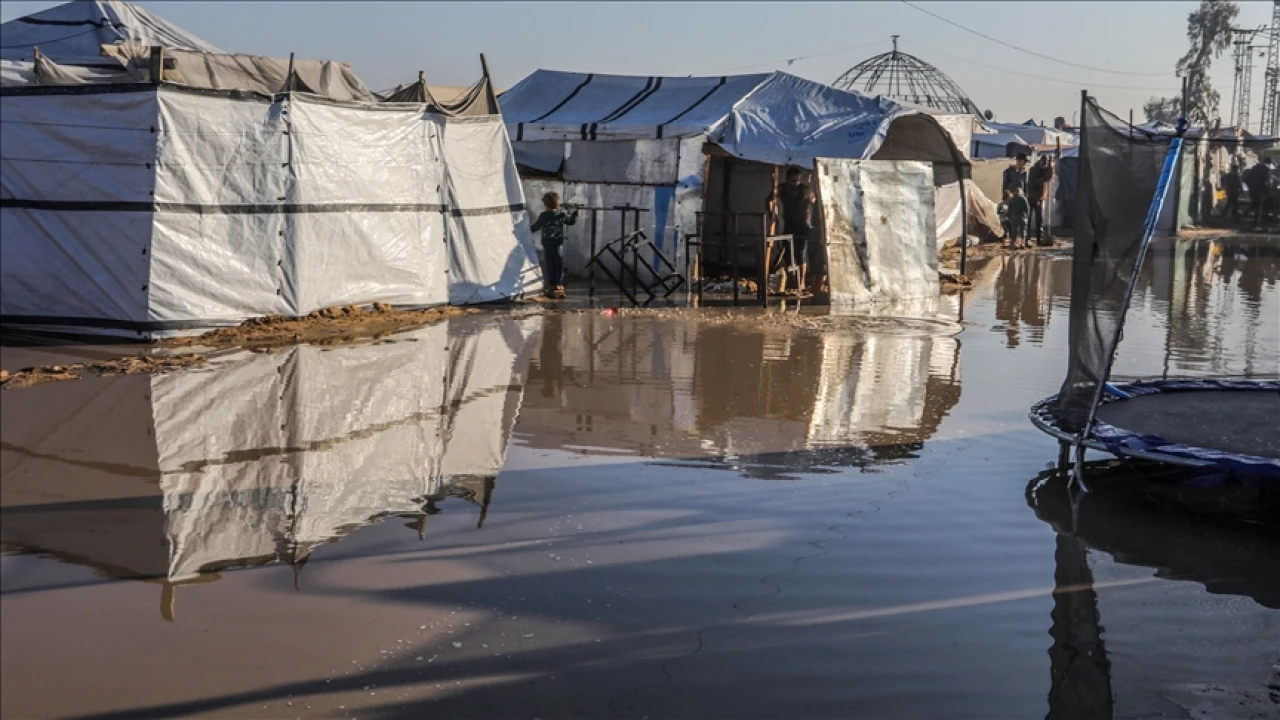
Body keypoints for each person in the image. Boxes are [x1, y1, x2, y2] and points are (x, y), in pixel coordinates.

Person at [766, 167, 817, 293]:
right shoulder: (782, 188)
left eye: (797, 180)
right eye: (793, 180)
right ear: (787, 179)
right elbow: (770, 199)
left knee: (801, 254)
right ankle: (792, 280)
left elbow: (814, 201)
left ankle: (801, 282)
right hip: (789, 223)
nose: (795, 183)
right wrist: (773, 213)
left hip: (802, 225)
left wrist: (811, 211)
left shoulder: (805, 189)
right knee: (788, 254)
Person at [529, 192, 578, 299]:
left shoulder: (544, 215)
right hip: (558, 244)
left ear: (545, 204)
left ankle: (552, 286)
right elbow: (571, 221)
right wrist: (575, 213)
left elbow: (536, 227)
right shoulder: (562, 214)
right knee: (558, 265)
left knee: (549, 265)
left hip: (547, 244)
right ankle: (559, 286)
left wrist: (525, 230)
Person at [1027, 154, 1054, 245]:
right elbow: (1032, 184)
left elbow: (1049, 177)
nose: (1045, 163)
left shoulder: (1045, 168)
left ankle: (1039, 239)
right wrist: (1042, 180)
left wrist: (1050, 166)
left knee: (1040, 220)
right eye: (1045, 162)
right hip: (1032, 196)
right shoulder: (1034, 170)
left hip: (1040, 197)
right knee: (1029, 218)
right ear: (1041, 161)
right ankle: (1027, 238)